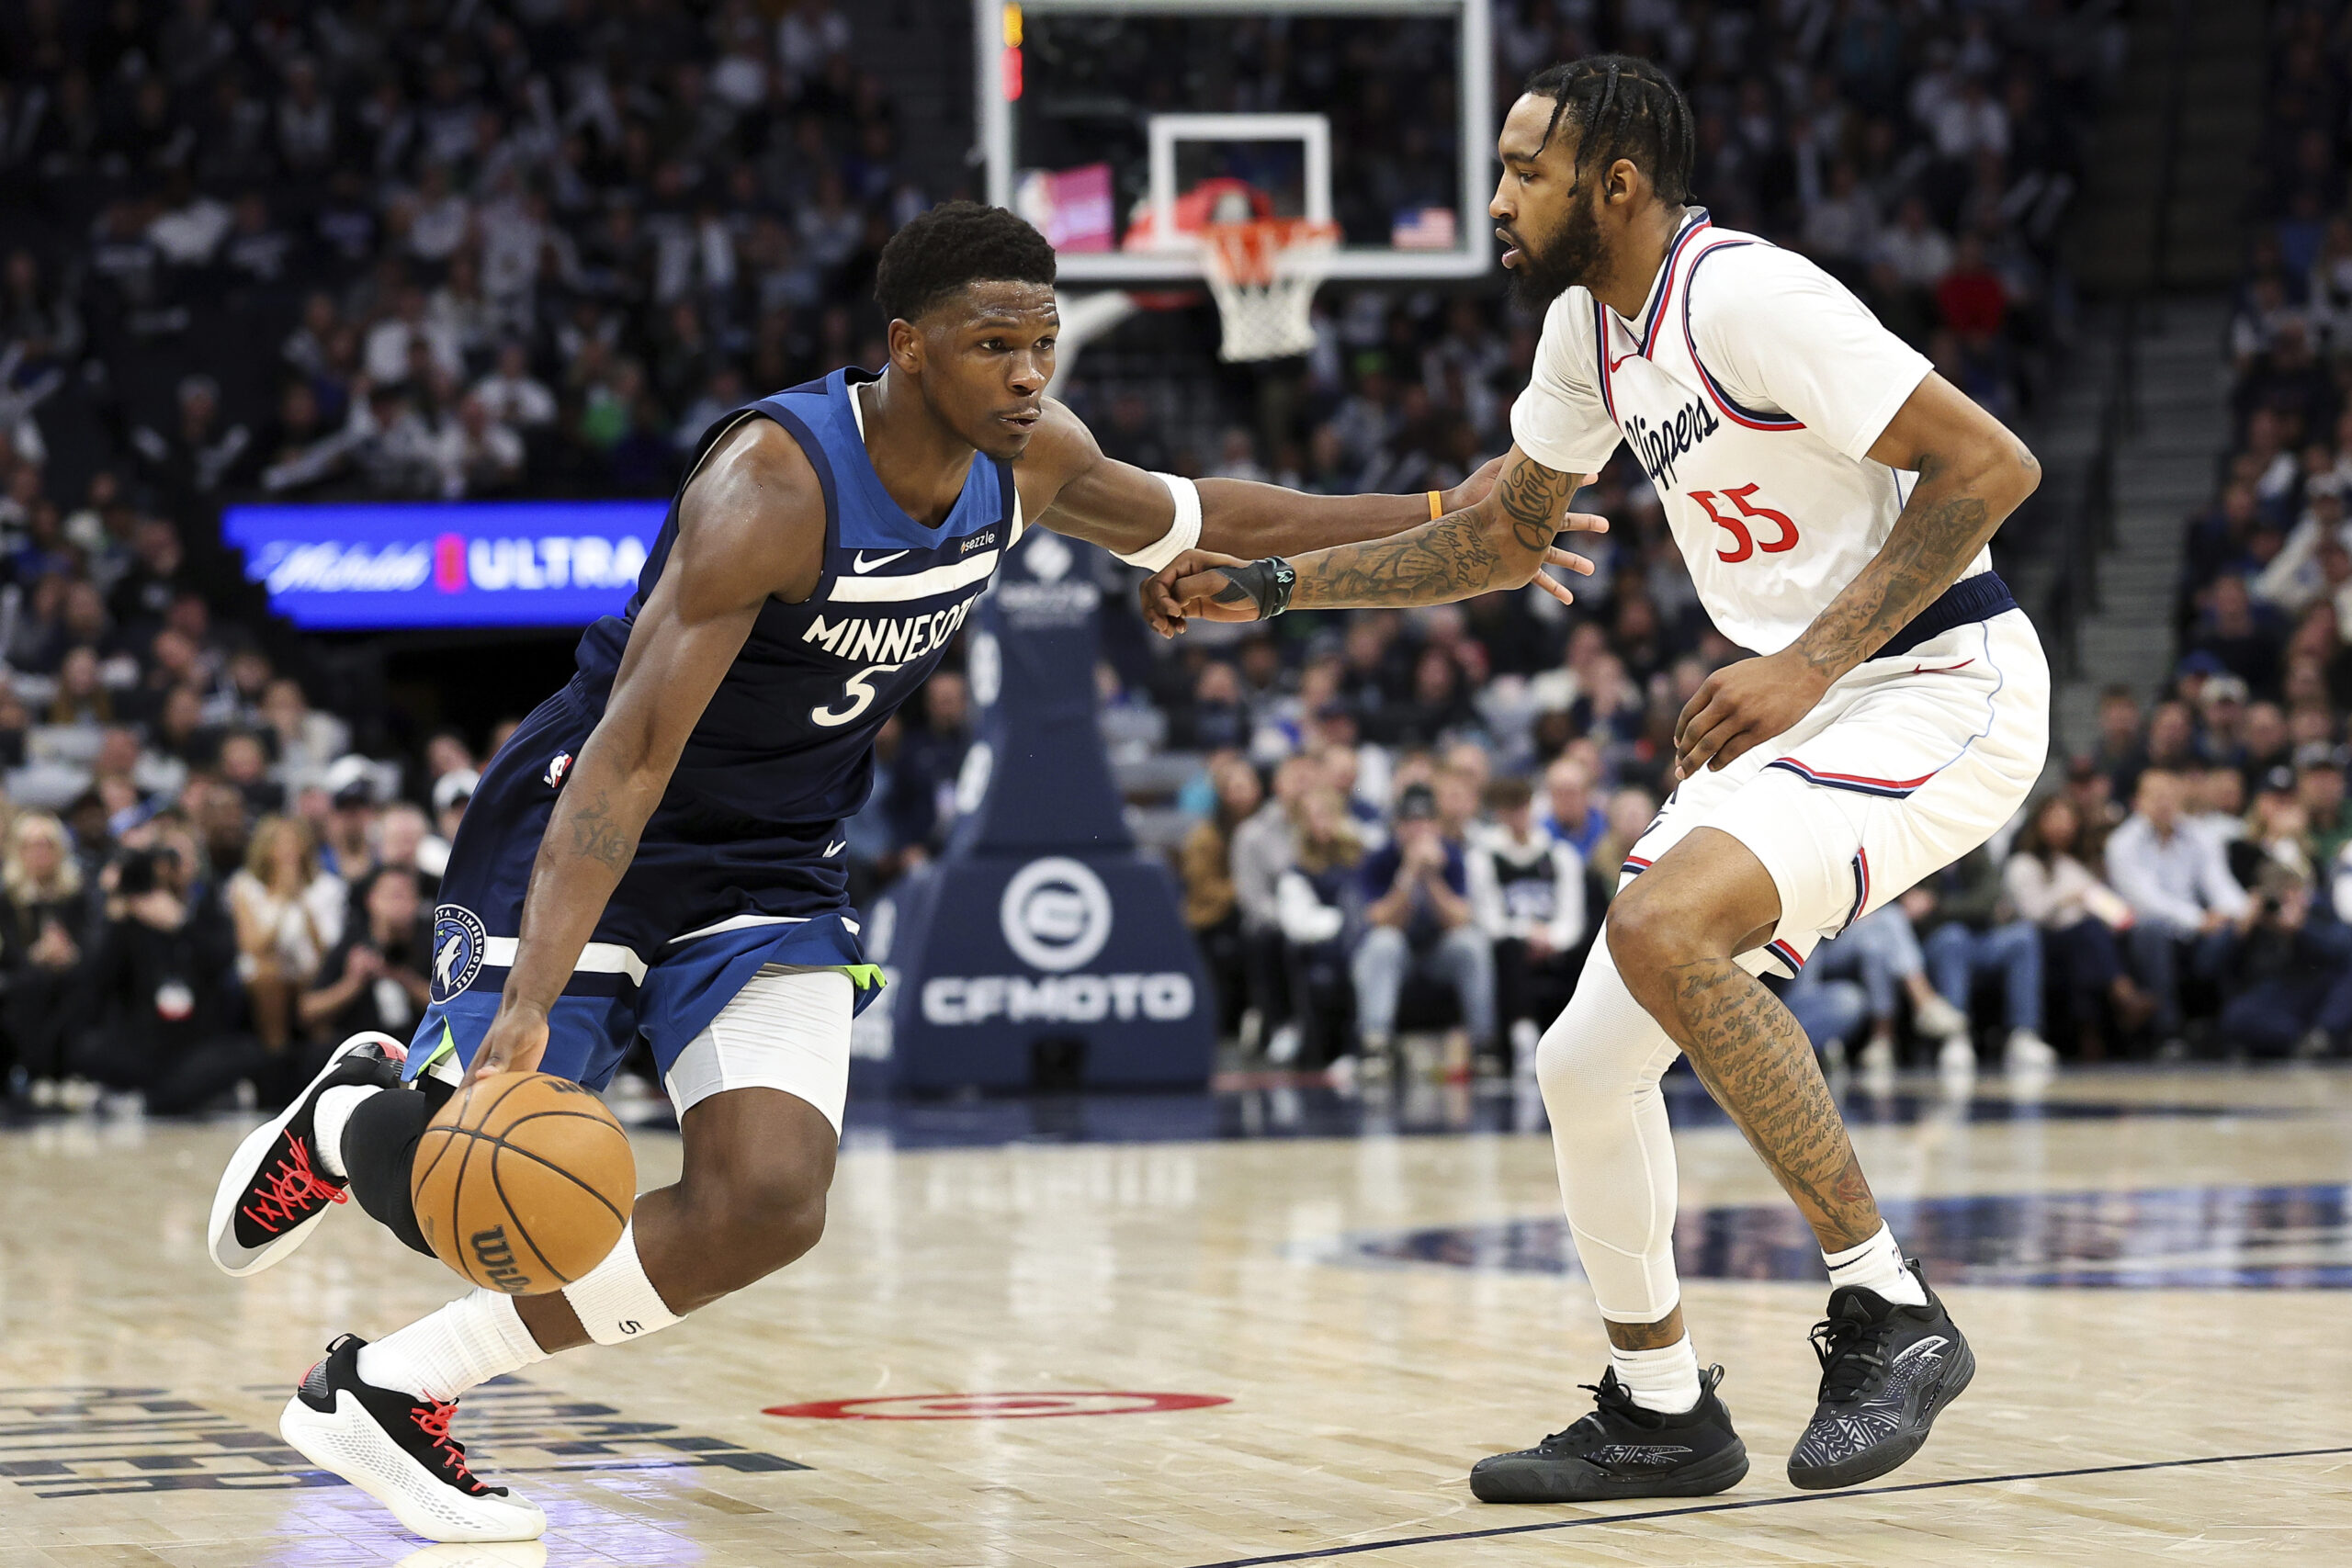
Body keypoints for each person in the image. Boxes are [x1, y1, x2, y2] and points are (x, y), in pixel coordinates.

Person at [203, 201, 1532, 1544]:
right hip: (603, 823)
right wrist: (537, 996)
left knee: (769, 1202)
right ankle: (347, 1119)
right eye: (993, 343)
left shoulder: (1032, 457)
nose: (1028, 373)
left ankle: (385, 1385)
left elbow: (1212, 516)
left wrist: (1445, 512)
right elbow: (630, 757)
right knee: (471, 1166)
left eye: (1044, 343)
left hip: (774, 855)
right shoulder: (772, 488)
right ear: (908, 346)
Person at [1149, 55, 2046, 1499]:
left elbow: (1991, 467)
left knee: (1661, 923)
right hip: (1815, 706)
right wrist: (1275, 586)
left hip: (1943, 681)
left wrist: (1807, 662)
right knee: (1581, 1061)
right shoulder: (1591, 332)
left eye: (1524, 172)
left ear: (1616, 184)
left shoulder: (1748, 296)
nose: (1497, 199)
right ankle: (1659, 1402)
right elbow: (1506, 536)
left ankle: (1889, 1307)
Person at [1350, 781, 1495, 1078]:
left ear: (1436, 826)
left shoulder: (1452, 857)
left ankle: (1484, 1044)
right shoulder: (1378, 858)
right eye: (1410, 823)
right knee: (1383, 943)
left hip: (1438, 954)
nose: (1418, 831)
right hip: (1397, 957)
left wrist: (1431, 879)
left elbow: (1459, 918)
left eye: (1425, 822)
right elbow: (1380, 919)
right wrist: (1409, 873)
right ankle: (1375, 1046)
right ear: (1397, 826)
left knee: (1471, 944)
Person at [2105, 768, 2249, 1049]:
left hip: (2196, 933)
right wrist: (2199, 919)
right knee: (2152, 928)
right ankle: (2167, 1031)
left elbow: (2219, 884)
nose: (2164, 803)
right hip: (2147, 933)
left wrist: (2240, 912)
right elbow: (2146, 901)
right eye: (2155, 796)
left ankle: (2232, 1028)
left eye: (2170, 796)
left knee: (2238, 929)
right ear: (2138, 801)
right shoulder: (2121, 843)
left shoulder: (2200, 835)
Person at [1468, 774, 1589, 1072]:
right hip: (1512, 946)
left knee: (1587, 948)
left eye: (1521, 807)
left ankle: (1584, 1042)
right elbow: (1490, 920)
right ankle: (1522, 1038)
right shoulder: (1484, 857)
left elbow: (1573, 917)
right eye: (1508, 809)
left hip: (1555, 944)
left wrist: (1551, 939)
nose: (1516, 816)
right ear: (1498, 813)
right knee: (1508, 950)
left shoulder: (1560, 855)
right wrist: (1526, 934)